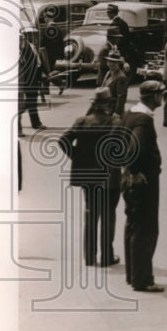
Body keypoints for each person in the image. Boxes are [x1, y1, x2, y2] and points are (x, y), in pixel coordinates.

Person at [59, 88, 123, 268]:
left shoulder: (82, 121)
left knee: (90, 213)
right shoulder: (115, 122)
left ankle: (89, 257)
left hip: (88, 176)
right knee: (108, 215)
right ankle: (107, 256)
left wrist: (78, 158)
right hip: (109, 176)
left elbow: (63, 140)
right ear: (109, 104)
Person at [122, 80, 166, 292]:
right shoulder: (144, 120)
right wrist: (135, 170)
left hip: (130, 179)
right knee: (146, 230)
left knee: (132, 225)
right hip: (144, 182)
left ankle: (133, 275)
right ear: (154, 96)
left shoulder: (130, 113)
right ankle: (143, 279)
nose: (163, 97)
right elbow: (135, 146)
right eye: (161, 94)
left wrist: (127, 170)